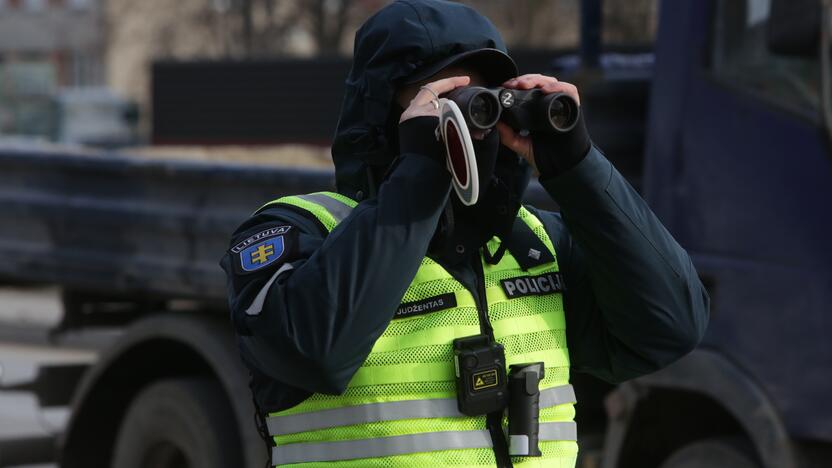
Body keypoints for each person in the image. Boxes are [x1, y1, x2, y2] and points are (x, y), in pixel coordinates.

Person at [220, 1, 709, 467]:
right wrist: (418, 172)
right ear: (382, 116)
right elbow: (316, 352)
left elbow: (669, 329)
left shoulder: (531, 244)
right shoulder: (299, 233)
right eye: (441, 99)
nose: (472, 124)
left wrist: (577, 167)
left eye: (484, 102)